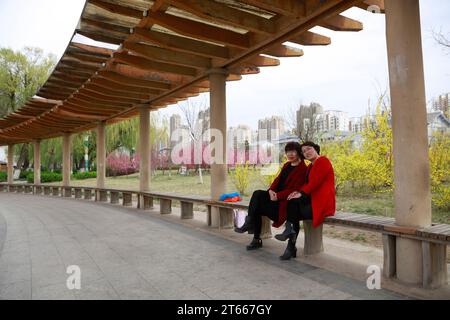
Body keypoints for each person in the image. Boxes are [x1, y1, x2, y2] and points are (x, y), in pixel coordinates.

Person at [235, 141, 307, 258]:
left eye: (293, 151)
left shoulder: (303, 169)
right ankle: (254, 233)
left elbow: (295, 190)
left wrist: (277, 196)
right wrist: (270, 191)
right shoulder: (287, 165)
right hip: (276, 199)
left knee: (293, 216)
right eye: (288, 151)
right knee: (257, 195)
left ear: (299, 152)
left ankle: (291, 248)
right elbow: (277, 180)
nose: (290, 154)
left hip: (286, 204)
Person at [274, 141, 336, 260]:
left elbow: (314, 183)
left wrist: (301, 193)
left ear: (315, 148)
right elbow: (306, 184)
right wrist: (297, 192)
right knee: (292, 204)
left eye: (309, 149)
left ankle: (290, 244)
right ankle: (290, 239)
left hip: (322, 203)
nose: (306, 152)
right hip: (313, 201)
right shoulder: (310, 166)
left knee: (293, 212)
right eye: (303, 151)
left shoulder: (323, 161)